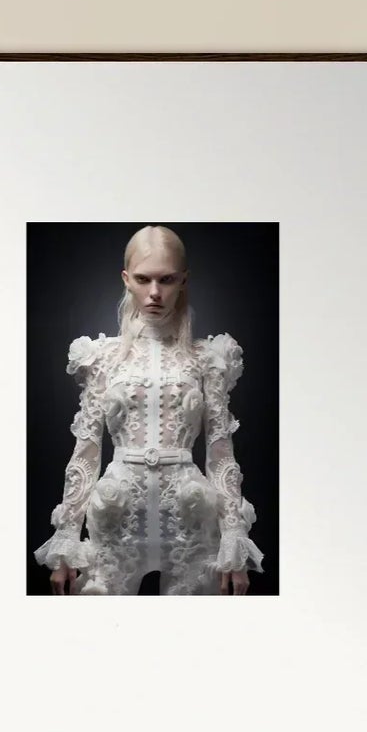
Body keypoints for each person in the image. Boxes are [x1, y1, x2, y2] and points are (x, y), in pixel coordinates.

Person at [34, 225, 264, 596]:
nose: (155, 292)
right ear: (126, 279)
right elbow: (86, 453)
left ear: (183, 280)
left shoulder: (209, 358)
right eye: (143, 279)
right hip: (115, 514)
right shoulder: (102, 358)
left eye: (166, 279)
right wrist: (65, 540)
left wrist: (233, 540)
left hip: (189, 517)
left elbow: (221, 455)